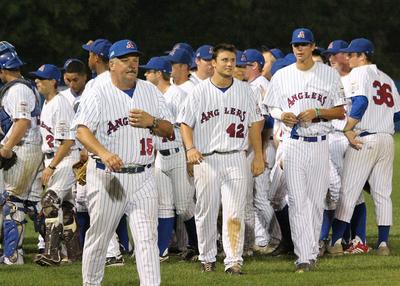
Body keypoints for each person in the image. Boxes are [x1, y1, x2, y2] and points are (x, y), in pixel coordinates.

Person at [72, 39, 173, 286]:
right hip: (108, 177)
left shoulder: (149, 90)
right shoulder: (97, 89)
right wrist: (104, 153)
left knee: (147, 238)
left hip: (144, 175)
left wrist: (152, 122)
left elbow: (170, 129)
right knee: (99, 236)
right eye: (126, 61)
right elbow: (82, 131)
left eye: (135, 61)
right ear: (112, 65)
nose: (132, 65)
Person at [177, 43, 265, 274]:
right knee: (206, 210)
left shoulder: (246, 91)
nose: (229, 64)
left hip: (236, 156)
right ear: (213, 63)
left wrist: (259, 156)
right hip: (206, 159)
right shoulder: (199, 91)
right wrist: (190, 148)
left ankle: (233, 260)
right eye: (224, 60)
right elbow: (185, 122)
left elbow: (256, 124)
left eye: (232, 60)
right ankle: (207, 257)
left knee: (235, 211)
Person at [263, 28, 345, 273]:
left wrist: (318, 112)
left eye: (304, 44)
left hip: (320, 142)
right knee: (298, 201)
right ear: (292, 48)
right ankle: (303, 257)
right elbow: (271, 107)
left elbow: (340, 111)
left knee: (316, 201)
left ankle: (310, 251)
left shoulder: (328, 75)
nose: (299, 49)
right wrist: (282, 115)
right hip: (293, 143)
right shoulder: (282, 75)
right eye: (296, 45)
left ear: (312, 47)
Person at [329, 38, 400, 256]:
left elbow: (360, 102)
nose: (347, 58)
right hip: (387, 139)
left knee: (348, 191)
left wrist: (348, 128)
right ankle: (383, 244)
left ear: (363, 56)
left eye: (352, 54)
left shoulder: (357, 75)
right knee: (382, 193)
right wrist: (386, 128)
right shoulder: (387, 78)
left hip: (364, 138)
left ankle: (337, 242)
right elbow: (397, 114)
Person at [141, 56, 199, 261]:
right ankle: (160, 251)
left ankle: (199, 244)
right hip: (160, 157)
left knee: (184, 207)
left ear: (159, 73)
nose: (145, 74)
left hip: (178, 154)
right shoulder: (152, 96)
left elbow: (188, 126)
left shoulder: (177, 95)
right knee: (164, 205)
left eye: (149, 71)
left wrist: (189, 157)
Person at [29, 64, 81, 266]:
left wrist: (51, 167)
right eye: (36, 78)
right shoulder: (49, 103)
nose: (37, 81)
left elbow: (68, 141)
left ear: (53, 81)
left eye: (41, 78)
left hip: (64, 159)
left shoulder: (60, 104)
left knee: (49, 203)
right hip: (55, 158)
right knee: (66, 208)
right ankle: (75, 254)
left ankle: (52, 254)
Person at [0, 50, 43, 265]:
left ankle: (13, 256)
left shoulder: (17, 90)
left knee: (12, 202)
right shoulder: (24, 86)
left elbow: (22, 122)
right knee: (33, 204)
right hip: (32, 147)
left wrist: (6, 148)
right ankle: (57, 248)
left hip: (23, 148)